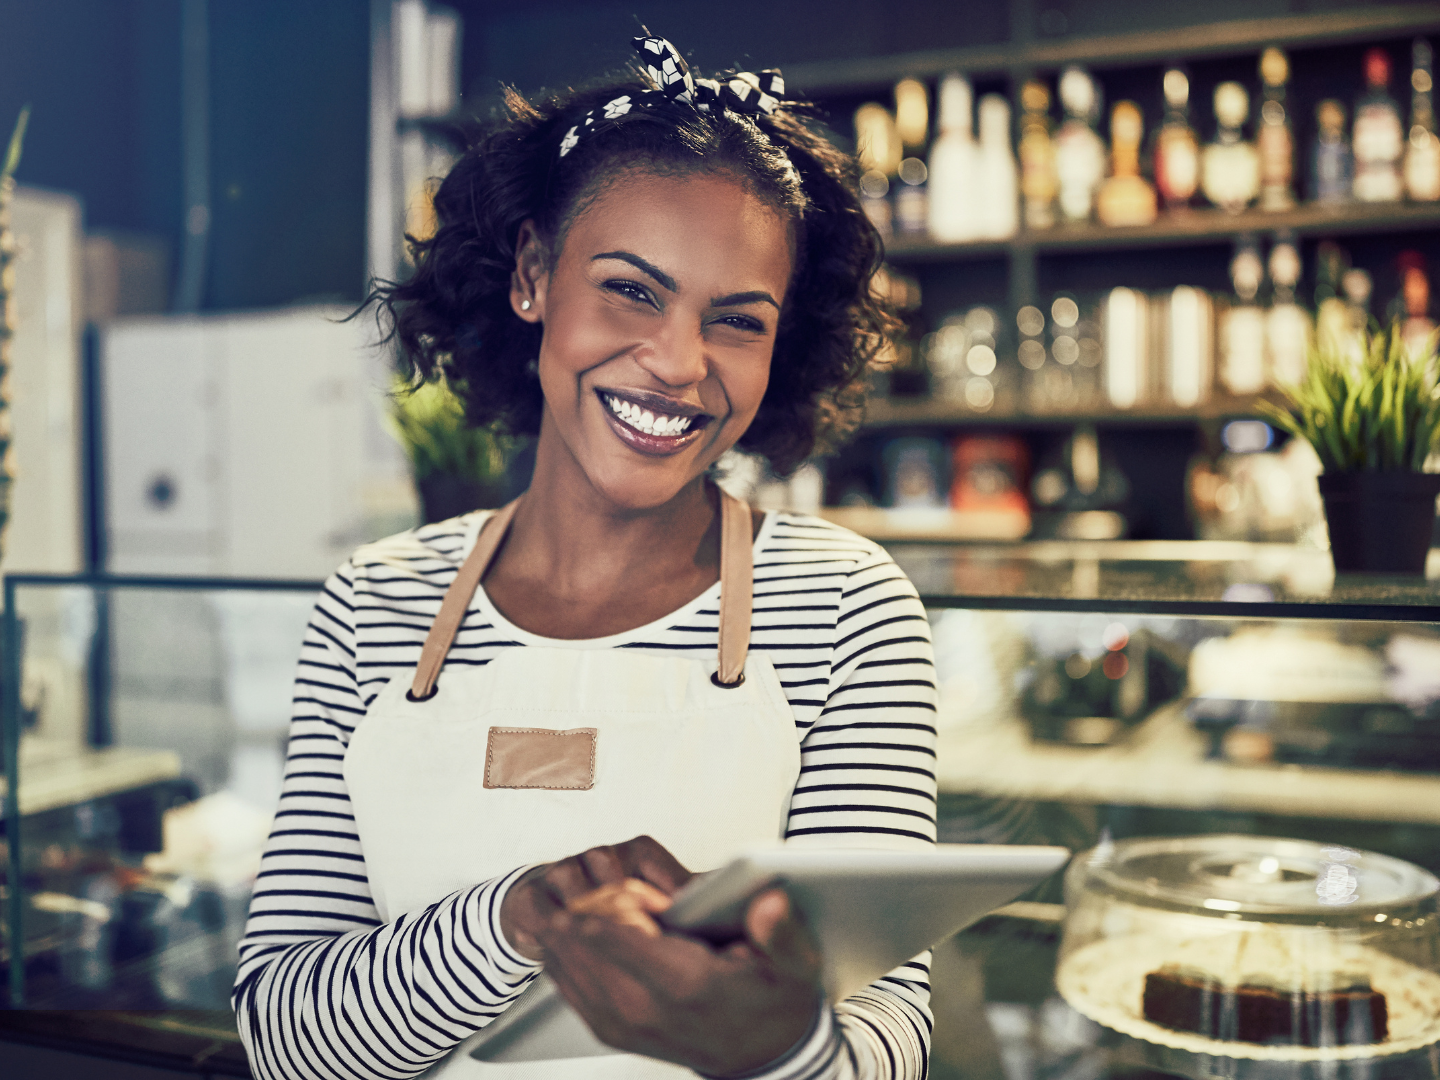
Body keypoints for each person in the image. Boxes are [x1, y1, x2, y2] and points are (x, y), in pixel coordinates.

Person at [233, 34, 938, 1080]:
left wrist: (782, 1046)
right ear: (532, 275)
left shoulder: (845, 606)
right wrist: (523, 919)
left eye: (736, 322)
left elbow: (887, 1036)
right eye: (632, 290)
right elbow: (285, 1037)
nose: (678, 364)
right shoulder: (373, 604)